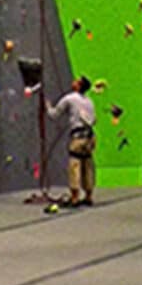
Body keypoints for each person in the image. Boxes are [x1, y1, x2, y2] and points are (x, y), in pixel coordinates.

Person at [46, 75, 96, 208]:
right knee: (88, 165)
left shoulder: (70, 98)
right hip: (90, 137)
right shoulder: (90, 101)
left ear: (79, 86)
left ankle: (74, 197)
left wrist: (47, 106)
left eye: (76, 81)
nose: (73, 82)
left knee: (75, 165)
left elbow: (54, 114)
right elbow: (94, 119)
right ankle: (89, 196)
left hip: (78, 136)